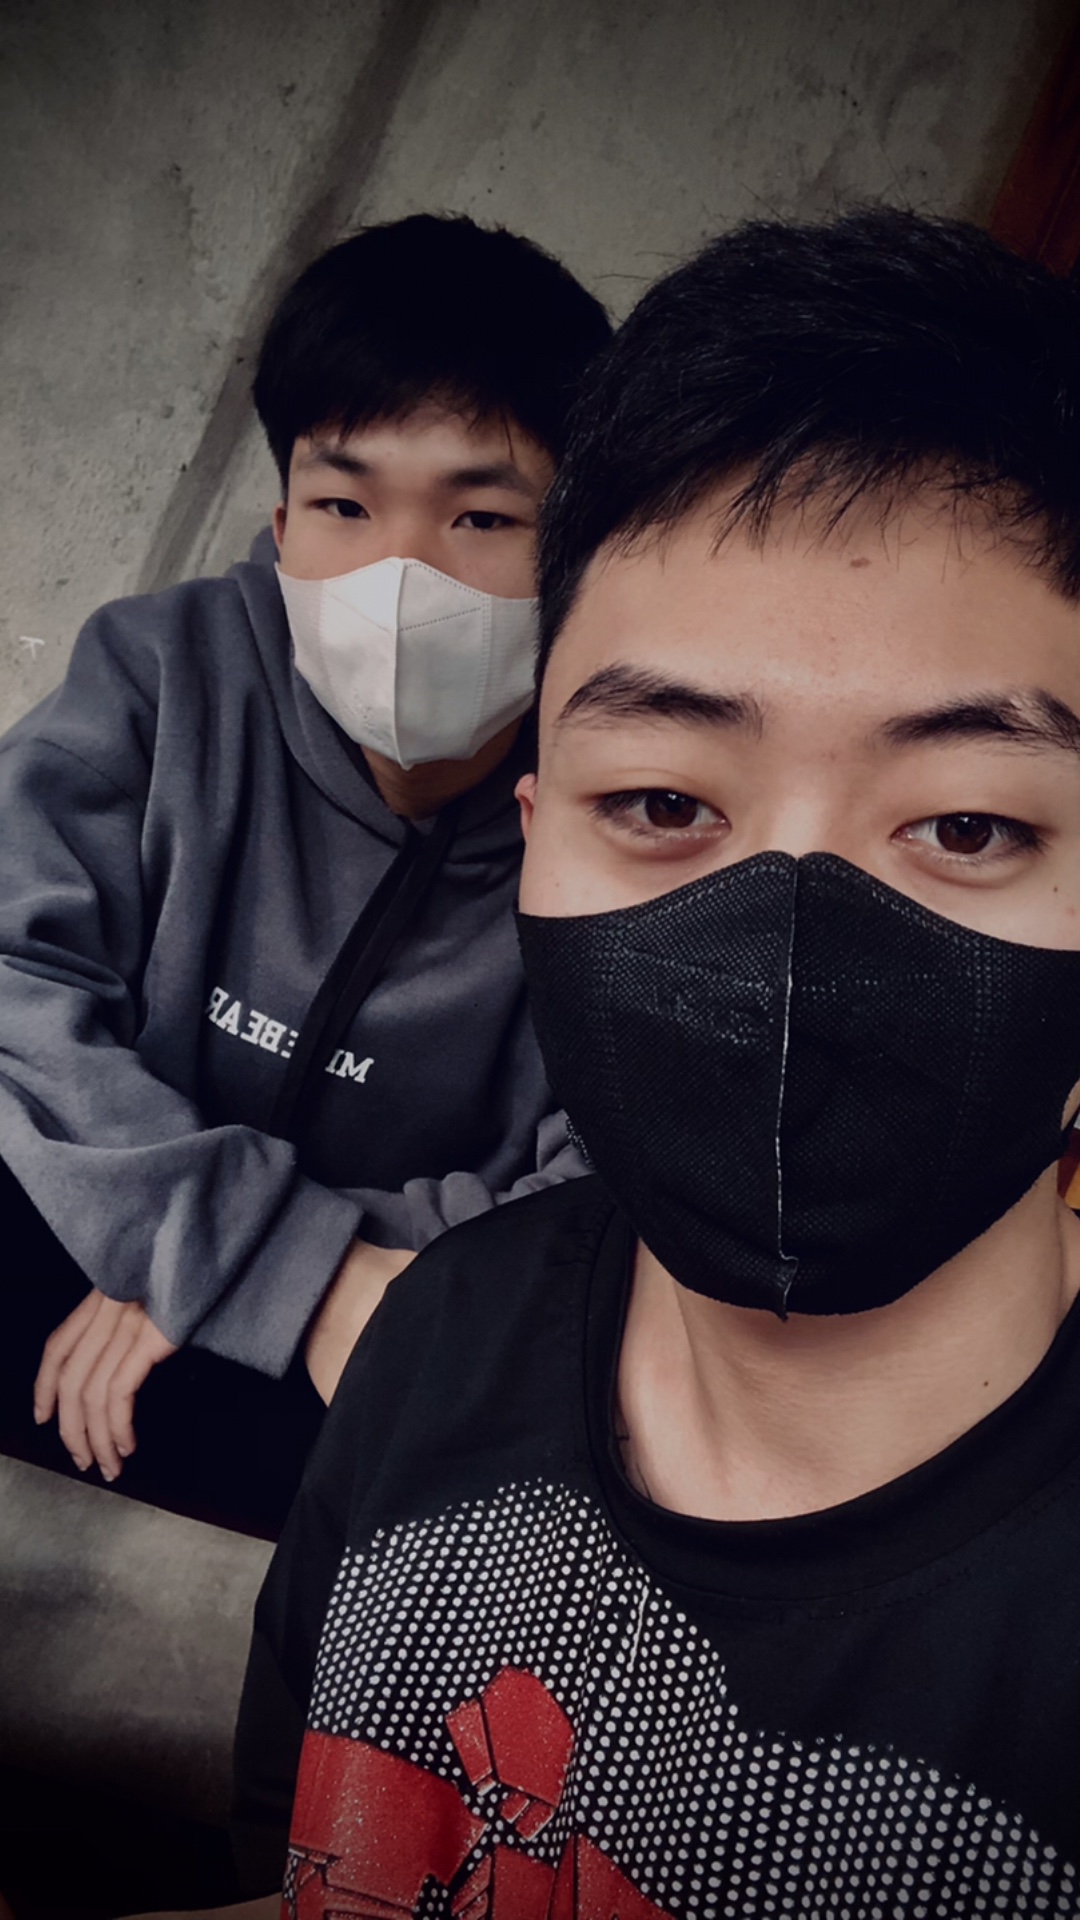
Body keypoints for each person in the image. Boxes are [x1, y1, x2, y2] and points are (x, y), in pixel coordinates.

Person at [232, 208, 1080, 1913]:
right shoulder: (443, 1334)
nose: (783, 961)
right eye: (664, 801)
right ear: (536, 835)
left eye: (969, 826)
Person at [0, 213, 611, 1536]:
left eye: (482, 515)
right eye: (345, 505)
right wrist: (230, 1247)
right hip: (103, 1223)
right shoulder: (164, 673)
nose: (400, 576)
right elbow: (13, 982)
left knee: (543, 1397)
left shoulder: (629, 801)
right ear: (281, 526)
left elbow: (608, 1177)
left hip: (380, 1311)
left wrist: (288, 1273)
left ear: (580, 551)